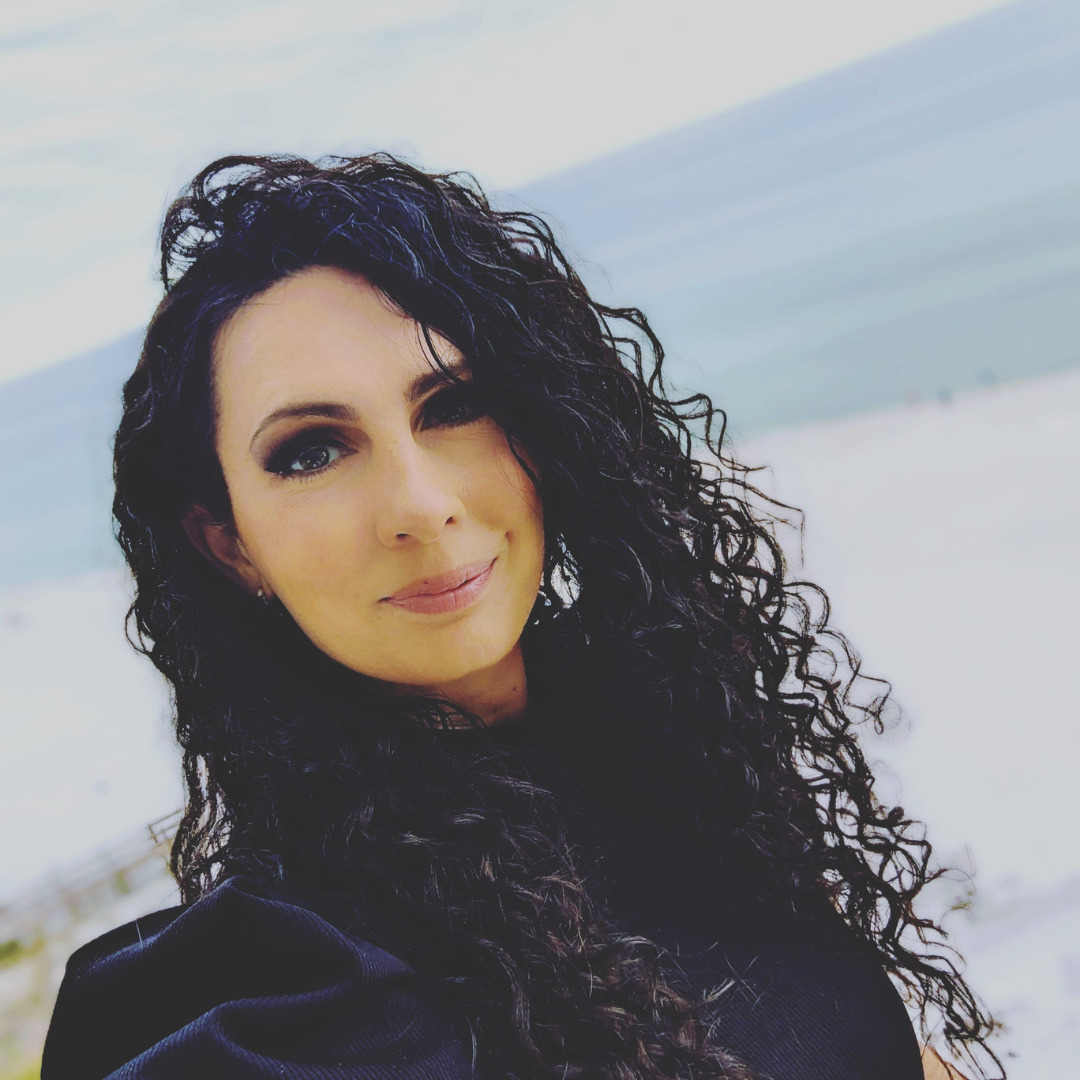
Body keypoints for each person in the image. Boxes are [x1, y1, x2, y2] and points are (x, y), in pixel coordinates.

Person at [42, 154, 1001, 1080]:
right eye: (310, 452)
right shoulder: (288, 1006)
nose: (419, 504)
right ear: (231, 544)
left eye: (452, 403)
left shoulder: (685, 761)